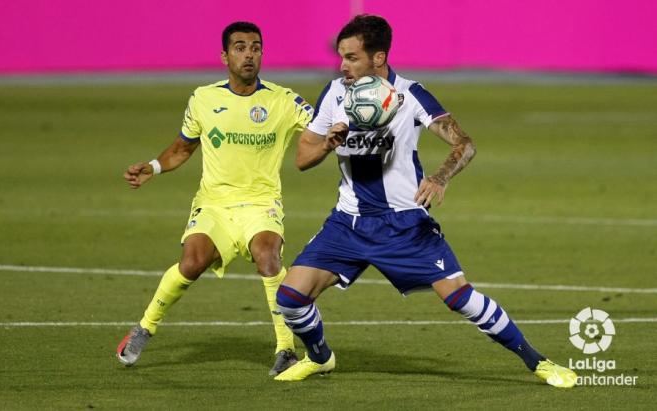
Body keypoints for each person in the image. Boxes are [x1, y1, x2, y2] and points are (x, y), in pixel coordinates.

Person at [273, 14, 577, 387]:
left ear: (378, 58)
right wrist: (327, 143)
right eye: (341, 57)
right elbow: (303, 160)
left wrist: (439, 177)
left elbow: (465, 143)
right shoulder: (335, 93)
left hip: (403, 224)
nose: (342, 65)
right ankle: (320, 358)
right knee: (290, 298)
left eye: (352, 57)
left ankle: (539, 362)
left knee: (459, 297)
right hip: (348, 223)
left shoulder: (410, 94)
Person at [117, 21, 314, 376]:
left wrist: (339, 128)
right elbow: (182, 147)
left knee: (268, 256)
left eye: (255, 47)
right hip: (215, 204)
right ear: (224, 56)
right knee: (191, 262)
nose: (249, 54)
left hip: (260, 203)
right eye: (239, 47)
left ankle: (285, 349)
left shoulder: (283, 101)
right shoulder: (204, 99)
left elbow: (321, 123)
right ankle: (145, 327)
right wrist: (154, 167)